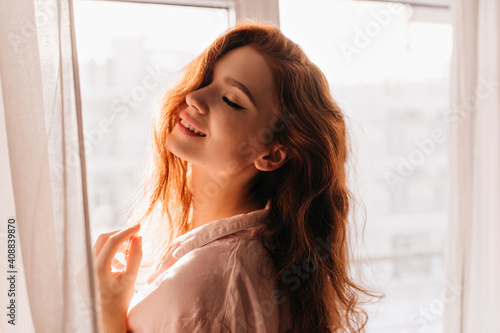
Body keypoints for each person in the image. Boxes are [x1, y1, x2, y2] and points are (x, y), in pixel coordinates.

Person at [91, 22, 381, 333]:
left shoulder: (203, 287)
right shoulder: (260, 255)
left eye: (231, 100)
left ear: (271, 154)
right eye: (206, 80)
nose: (195, 97)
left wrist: (108, 316)